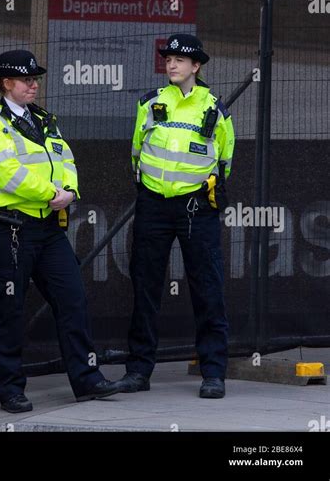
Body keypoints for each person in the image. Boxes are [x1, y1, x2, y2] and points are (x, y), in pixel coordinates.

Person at [0, 49, 118, 413]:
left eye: (35, 79)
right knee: (10, 308)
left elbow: (65, 158)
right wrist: (51, 193)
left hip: (49, 227)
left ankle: (87, 379)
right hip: (11, 228)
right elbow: (6, 172)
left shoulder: (45, 120)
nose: (33, 85)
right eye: (26, 80)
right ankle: (10, 389)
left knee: (73, 299)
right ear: (7, 84)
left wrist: (70, 191)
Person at [114, 34, 235, 399]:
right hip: (152, 204)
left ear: (196, 66)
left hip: (197, 206)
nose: (171, 64)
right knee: (145, 286)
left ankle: (213, 372)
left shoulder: (216, 110)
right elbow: (136, 153)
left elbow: (224, 162)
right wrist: (153, 190)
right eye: (168, 59)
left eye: (180, 60)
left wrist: (197, 189)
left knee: (207, 288)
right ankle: (138, 370)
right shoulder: (149, 103)